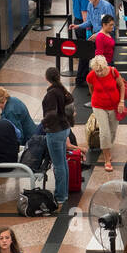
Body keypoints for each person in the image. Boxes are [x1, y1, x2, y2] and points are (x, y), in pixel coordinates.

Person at [87, 54, 127, 172]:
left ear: (106, 66)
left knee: (113, 130)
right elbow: (91, 89)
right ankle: (107, 158)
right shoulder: (91, 76)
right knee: (104, 132)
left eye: (101, 70)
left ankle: (107, 147)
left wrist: (121, 101)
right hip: (99, 106)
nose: (99, 73)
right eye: (96, 71)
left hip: (114, 106)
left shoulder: (113, 72)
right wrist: (95, 99)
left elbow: (121, 86)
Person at [42, 68, 75, 204]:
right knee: (62, 162)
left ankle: (60, 195)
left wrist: (44, 124)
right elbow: (70, 109)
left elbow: (51, 114)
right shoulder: (63, 90)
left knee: (58, 164)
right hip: (64, 129)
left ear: (47, 78)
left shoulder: (51, 94)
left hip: (55, 132)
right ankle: (64, 192)